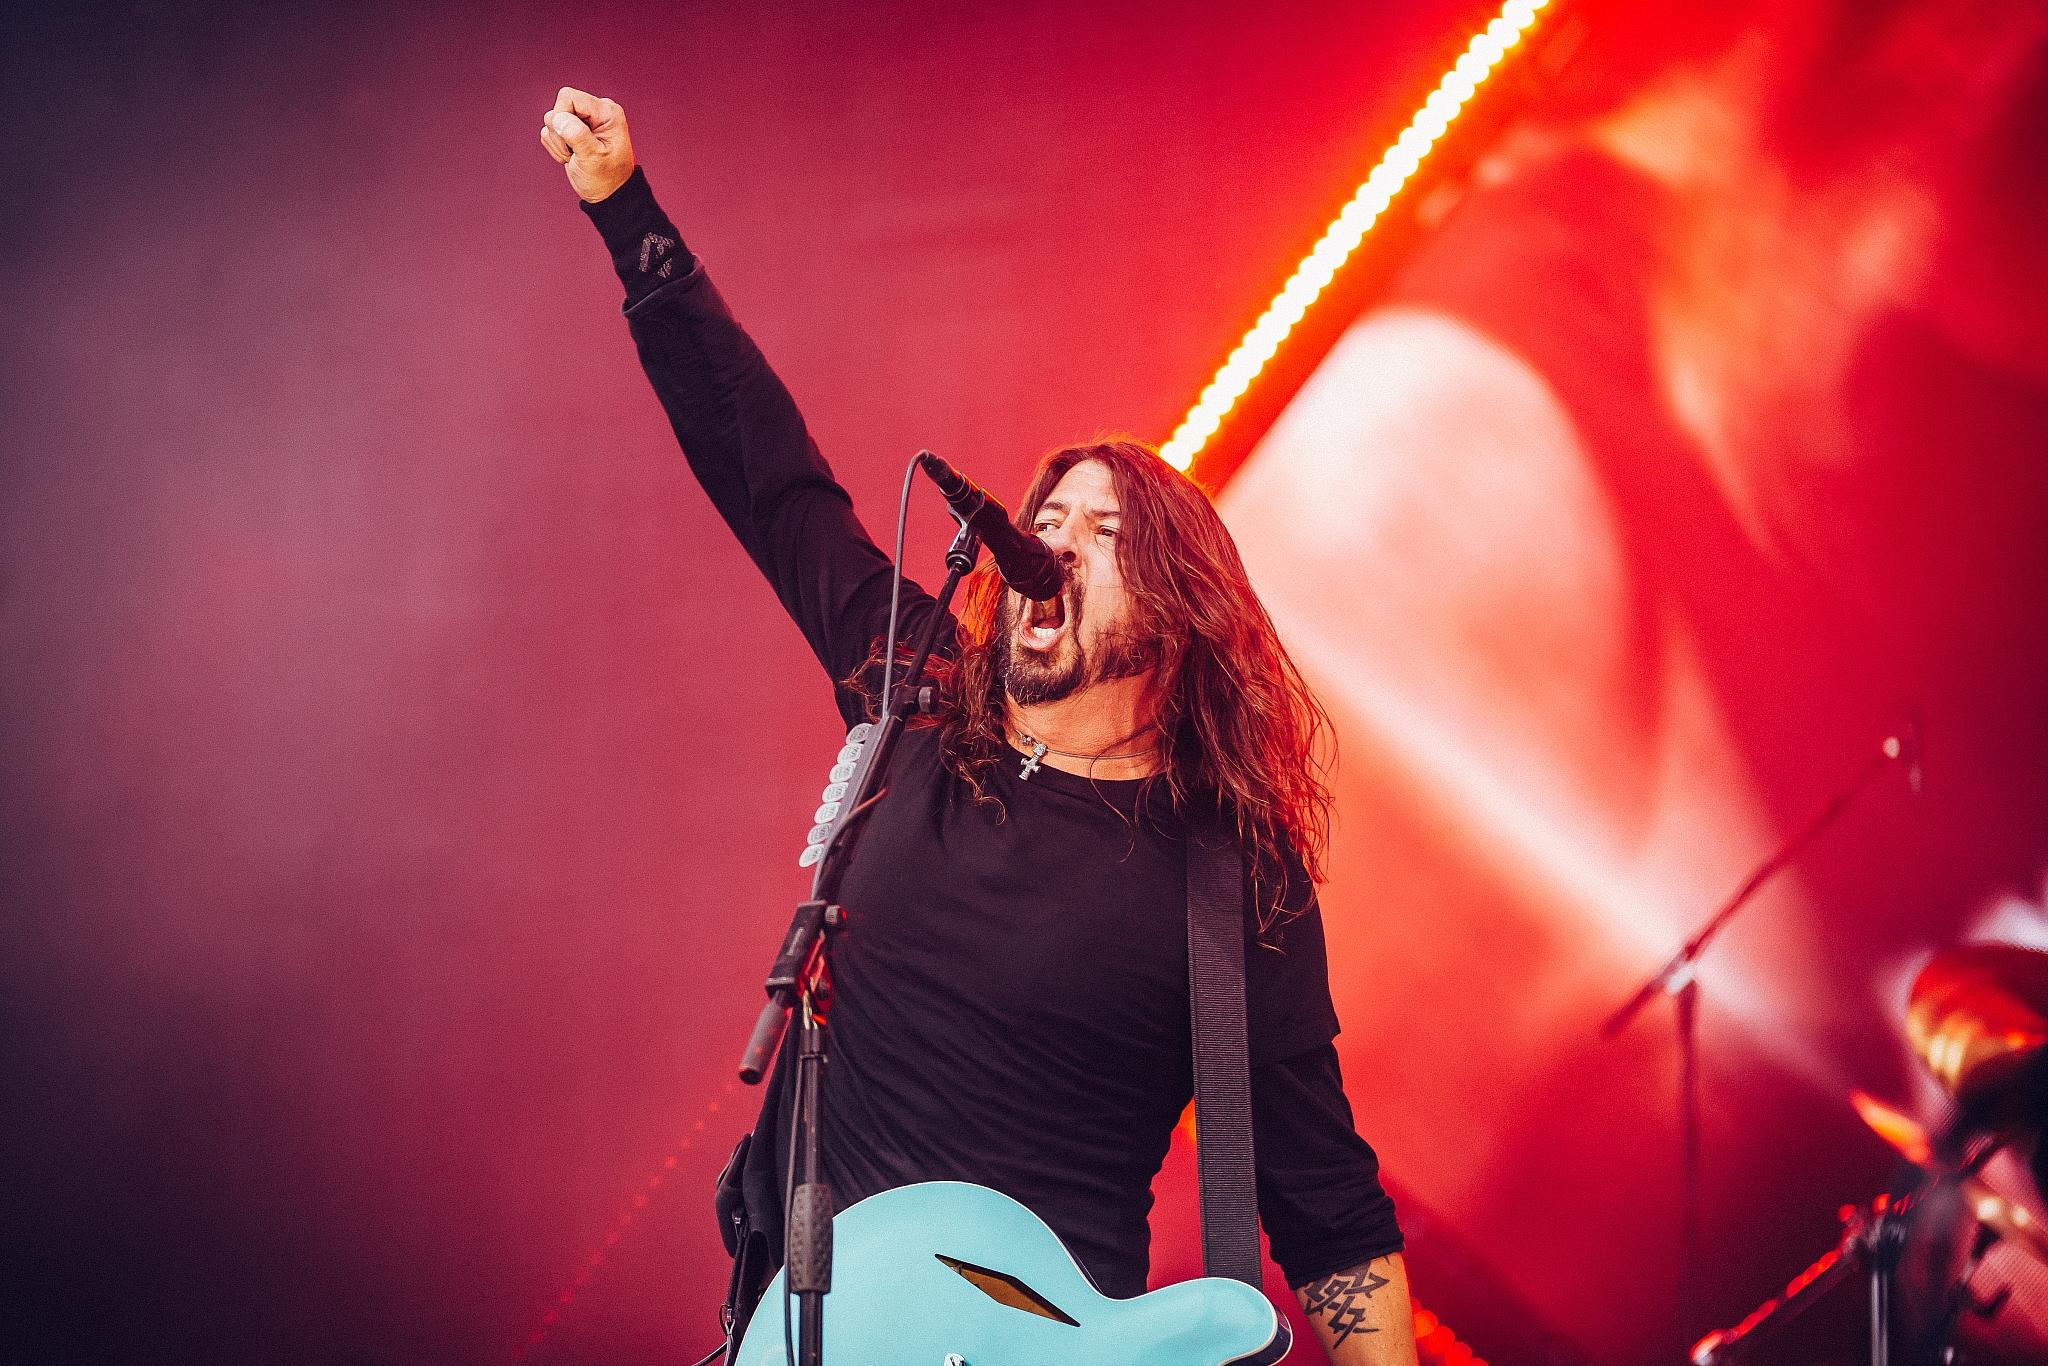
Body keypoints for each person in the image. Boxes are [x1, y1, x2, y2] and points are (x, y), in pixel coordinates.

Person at [540, 86, 1417, 1364]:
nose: (1049, 541)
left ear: (1178, 616)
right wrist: (631, 220)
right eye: (1046, 518)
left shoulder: (1230, 880)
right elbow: (771, 481)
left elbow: (1326, 1209)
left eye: (1101, 535)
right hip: (805, 1328)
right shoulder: (921, 701)